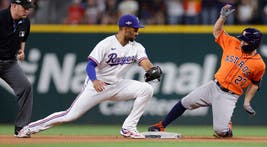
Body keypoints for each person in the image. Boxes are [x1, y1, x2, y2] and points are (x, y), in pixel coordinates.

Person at [18, 14, 162, 139]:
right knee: (70, 115)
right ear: (125, 28)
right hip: (97, 86)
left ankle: (129, 128)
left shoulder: (136, 47)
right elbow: (90, 65)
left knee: (146, 89)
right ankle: (29, 128)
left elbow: (145, 62)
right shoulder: (106, 44)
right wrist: (94, 80)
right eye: (135, 29)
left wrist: (152, 69)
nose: (137, 32)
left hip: (118, 85)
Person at [148, 4, 266, 138]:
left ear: (254, 43)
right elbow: (217, 31)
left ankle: (226, 125)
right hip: (213, 86)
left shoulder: (259, 64)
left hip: (229, 95)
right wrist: (222, 17)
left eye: (245, 41)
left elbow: (255, 84)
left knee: (221, 132)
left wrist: (247, 102)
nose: (241, 42)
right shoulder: (233, 43)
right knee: (185, 102)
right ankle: (161, 125)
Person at [0, 0, 33, 138]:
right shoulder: (1, 18)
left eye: (28, 8)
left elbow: (22, 39)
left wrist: (21, 51)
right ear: (13, 5)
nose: (27, 10)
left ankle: (21, 128)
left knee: (26, 87)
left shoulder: (25, 22)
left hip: (9, 64)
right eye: (24, 7)